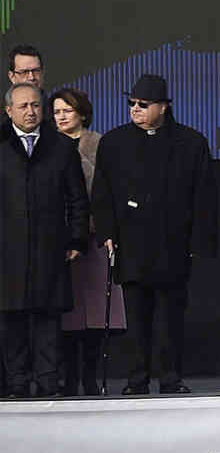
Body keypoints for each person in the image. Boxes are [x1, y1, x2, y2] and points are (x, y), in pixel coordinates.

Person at [91, 74, 217, 395]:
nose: (135, 109)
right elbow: (102, 192)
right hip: (131, 243)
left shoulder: (190, 143)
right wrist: (106, 232)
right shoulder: (114, 142)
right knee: (136, 316)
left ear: (163, 107)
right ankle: (137, 380)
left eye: (143, 104)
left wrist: (199, 242)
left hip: (173, 243)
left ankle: (170, 378)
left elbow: (204, 195)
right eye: (132, 103)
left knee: (170, 317)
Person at [0, 86, 88, 398]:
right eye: (23, 106)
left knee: (48, 318)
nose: (30, 111)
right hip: (7, 250)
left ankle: (49, 381)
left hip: (50, 247)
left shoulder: (61, 146)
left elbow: (77, 198)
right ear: (8, 110)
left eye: (36, 105)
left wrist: (77, 238)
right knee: (11, 318)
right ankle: (17, 382)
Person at [51, 89, 123, 396]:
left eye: (67, 110)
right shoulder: (47, 145)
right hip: (59, 240)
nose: (61, 116)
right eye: (56, 112)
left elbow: (107, 188)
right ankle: (68, 379)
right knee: (65, 316)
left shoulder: (99, 143)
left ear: (82, 113)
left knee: (94, 315)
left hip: (95, 238)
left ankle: (90, 379)